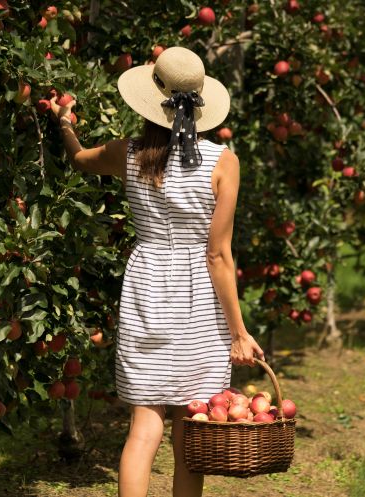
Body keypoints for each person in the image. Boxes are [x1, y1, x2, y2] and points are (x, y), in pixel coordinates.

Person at [51, 46, 265, 497]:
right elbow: (218, 256)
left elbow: (79, 159)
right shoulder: (222, 162)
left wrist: (65, 123)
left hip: (146, 288)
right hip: (199, 304)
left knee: (143, 427)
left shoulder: (127, 153)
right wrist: (239, 331)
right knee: (192, 428)